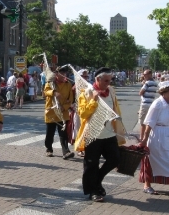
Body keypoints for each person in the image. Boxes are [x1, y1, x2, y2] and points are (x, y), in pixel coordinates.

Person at [75, 67, 124, 202]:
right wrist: (93, 101)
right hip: (93, 134)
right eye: (106, 81)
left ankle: (97, 180)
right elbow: (83, 114)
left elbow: (115, 108)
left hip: (109, 133)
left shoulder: (111, 91)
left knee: (115, 159)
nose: (109, 83)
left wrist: (117, 120)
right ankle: (93, 191)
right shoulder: (86, 93)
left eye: (110, 80)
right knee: (91, 164)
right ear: (98, 79)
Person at [44, 66, 74, 159]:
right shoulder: (50, 83)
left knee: (63, 134)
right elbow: (46, 91)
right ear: (56, 74)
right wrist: (54, 92)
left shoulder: (68, 84)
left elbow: (71, 99)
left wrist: (64, 107)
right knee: (50, 133)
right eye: (61, 73)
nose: (63, 75)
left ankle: (66, 152)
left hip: (62, 113)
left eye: (65, 73)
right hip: (52, 112)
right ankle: (49, 149)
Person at [138, 70, 158, 142]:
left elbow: (140, 93)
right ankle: (148, 137)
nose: (144, 76)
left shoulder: (147, 83)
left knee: (142, 122)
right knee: (149, 121)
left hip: (145, 104)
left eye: (145, 74)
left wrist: (143, 84)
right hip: (151, 104)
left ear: (150, 74)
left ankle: (141, 138)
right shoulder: (155, 83)